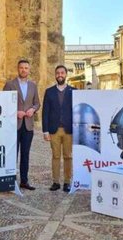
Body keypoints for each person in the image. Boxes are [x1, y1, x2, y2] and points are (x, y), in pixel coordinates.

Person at [4, 59, 40, 190]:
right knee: (13, 154)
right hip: (14, 125)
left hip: (28, 126)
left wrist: (33, 109)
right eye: (21, 68)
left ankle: (24, 181)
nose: (23, 70)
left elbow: (37, 103)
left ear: (29, 70)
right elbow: (4, 103)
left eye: (26, 68)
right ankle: (11, 181)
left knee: (25, 154)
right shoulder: (9, 84)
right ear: (18, 69)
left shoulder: (33, 86)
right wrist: (15, 112)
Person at [42, 64, 73, 192]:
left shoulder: (74, 91)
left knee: (68, 156)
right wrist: (45, 130)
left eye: (62, 73)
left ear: (66, 75)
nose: (60, 75)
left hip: (69, 130)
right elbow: (45, 112)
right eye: (58, 73)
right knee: (55, 156)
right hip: (54, 130)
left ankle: (67, 182)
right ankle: (55, 182)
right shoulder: (49, 92)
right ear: (55, 75)